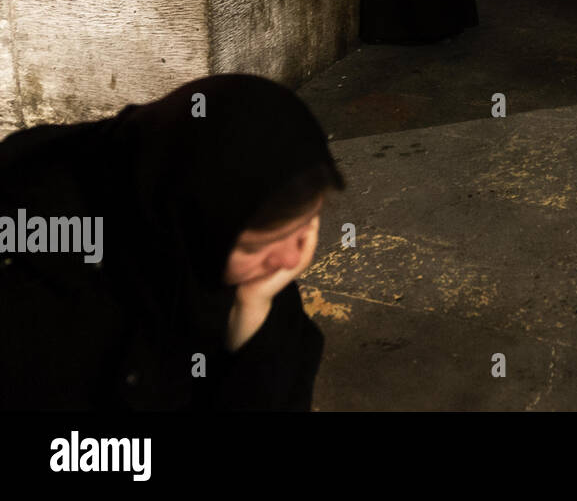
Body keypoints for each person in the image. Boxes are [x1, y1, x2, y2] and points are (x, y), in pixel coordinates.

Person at [0, 74, 344, 410]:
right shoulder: (43, 297)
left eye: (307, 226)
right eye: (254, 247)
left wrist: (253, 317)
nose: (291, 261)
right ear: (182, 225)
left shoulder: (207, 215)